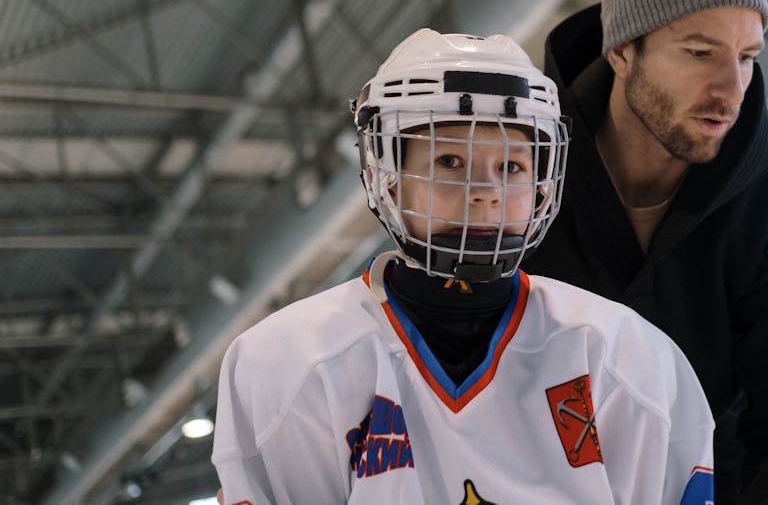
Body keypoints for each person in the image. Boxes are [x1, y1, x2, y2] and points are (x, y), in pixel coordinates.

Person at [211, 29, 715, 504]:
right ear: (387, 177)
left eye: (512, 167)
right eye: (449, 161)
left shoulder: (623, 358)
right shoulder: (288, 363)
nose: (485, 195)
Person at [521, 0, 768, 503]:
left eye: (747, 56)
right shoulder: (519, 189)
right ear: (623, 51)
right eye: (700, 52)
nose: (731, 88)